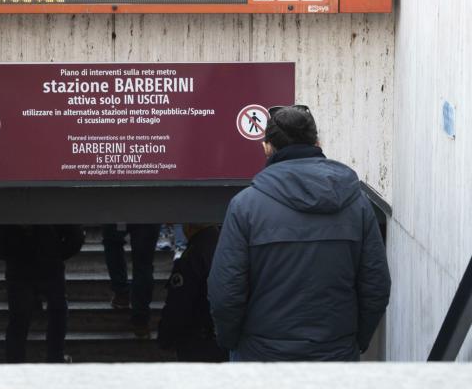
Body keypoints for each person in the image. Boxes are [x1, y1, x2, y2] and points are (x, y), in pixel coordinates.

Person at [208, 105, 391, 362]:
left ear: (267, 147)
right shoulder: (357, 204)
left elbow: (225, 293)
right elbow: (376, 286)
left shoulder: (245, 206)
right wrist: (355, 341)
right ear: (317, 142)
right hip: (335, 356)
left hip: (261, 357)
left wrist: (232, 342)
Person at [0, 224, 84, 363]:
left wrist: (11, 254)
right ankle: (55, 357)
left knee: (19, 318)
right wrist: (55, 253)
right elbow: (76, 236)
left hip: (19, 265)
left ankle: (15, 364)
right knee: (57, 311)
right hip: (48, 263)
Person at [158, 224, 228, 362]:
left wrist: (166, 337)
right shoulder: (225, 247)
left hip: (198, 338)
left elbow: (179, 304)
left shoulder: (193, 255)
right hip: (222, 336)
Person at [102, 223, 160, 338]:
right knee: (143, 264)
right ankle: (141, 320)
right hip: (149, 211)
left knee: (112, 243)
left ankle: (121, 292)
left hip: (117, 209)